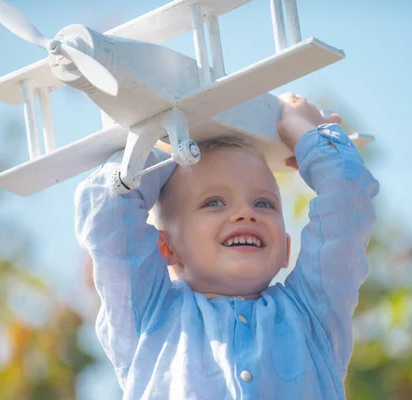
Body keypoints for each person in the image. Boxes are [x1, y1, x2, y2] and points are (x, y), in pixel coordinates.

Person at [75, 93, 379, 399]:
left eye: (264, 203)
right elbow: (109, 210)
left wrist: (303, 130)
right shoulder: (148, 315)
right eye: (213, 202)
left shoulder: (313, 314)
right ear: (166, 247)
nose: (245, 213)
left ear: (286, 248)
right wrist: (167, 149)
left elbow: (346, 202)